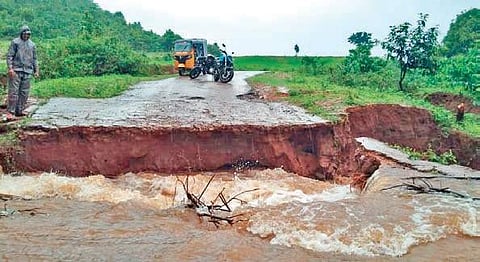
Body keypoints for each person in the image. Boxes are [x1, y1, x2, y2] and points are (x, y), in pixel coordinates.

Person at [5, 25, 39, 121]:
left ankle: (19, 110)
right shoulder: (15, 42)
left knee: (24, 92)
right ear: (21, 33)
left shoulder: (32, 45)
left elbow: (34, 59)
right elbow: (10, 56)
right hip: (16, 70)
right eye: (25, 33)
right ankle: (11, 111)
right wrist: (10, 69)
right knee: (13, 92)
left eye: (28, 34)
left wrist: (36, 70)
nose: (26, 36)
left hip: (27, 71)